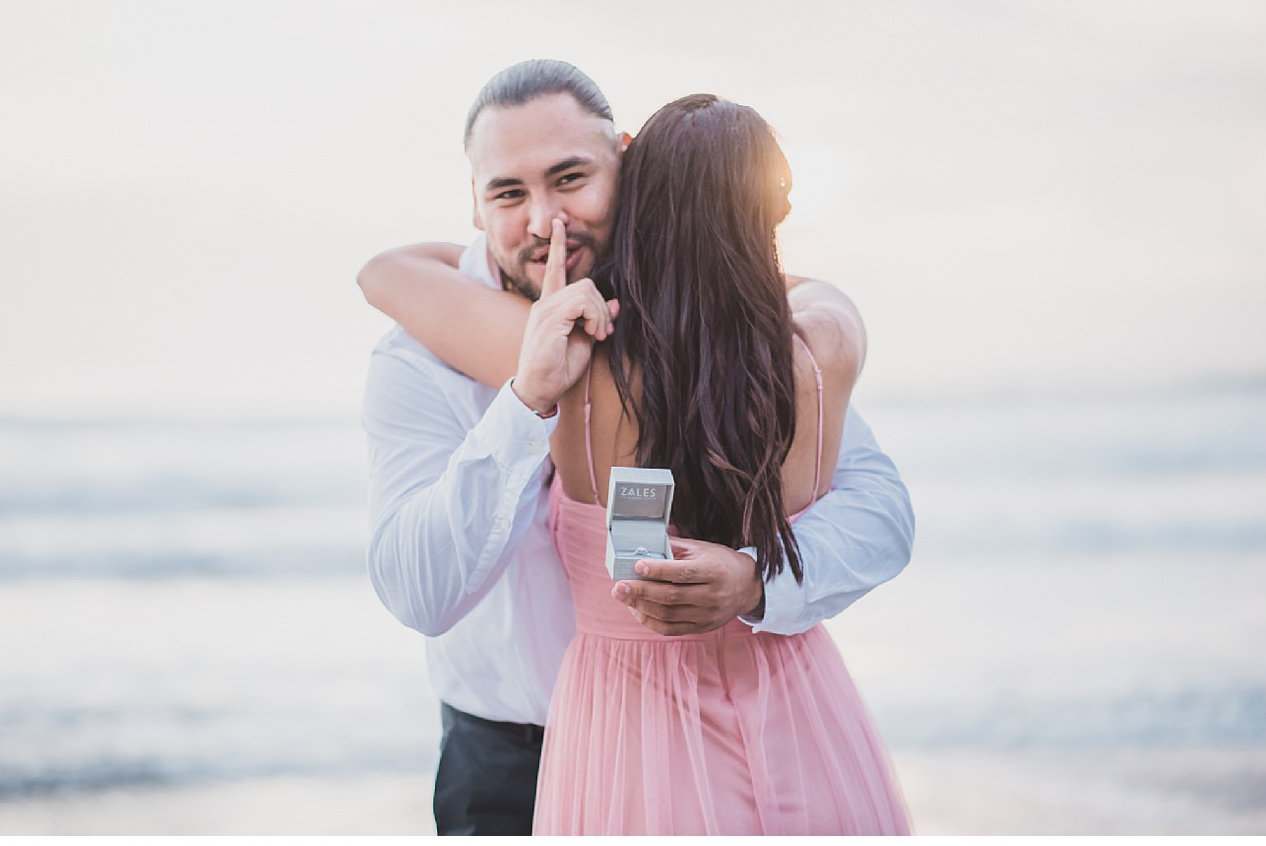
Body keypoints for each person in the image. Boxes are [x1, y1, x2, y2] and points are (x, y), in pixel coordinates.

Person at [359, 60, 913, 835]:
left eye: (570, 178)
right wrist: (524, 403)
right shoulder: (419, 355)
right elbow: (418, 594)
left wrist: (759, 579)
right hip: (507, 758)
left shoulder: (734, 334)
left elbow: (878, 509)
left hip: (720, 727)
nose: (546, 220)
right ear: (477, 206)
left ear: (627, 159)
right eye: (509, 193)